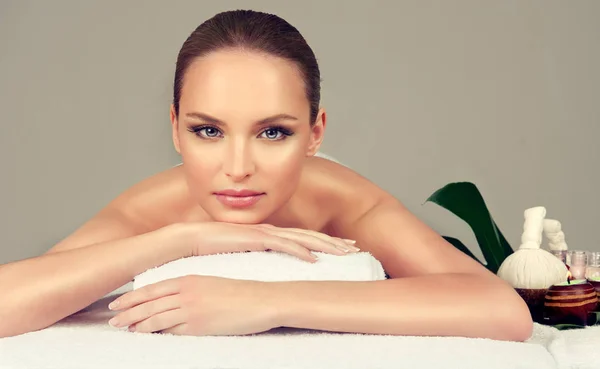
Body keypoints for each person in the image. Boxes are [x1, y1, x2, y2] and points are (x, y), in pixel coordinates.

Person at [0, 9, 533, 341]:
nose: (236, 169)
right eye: (208, 131)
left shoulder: (344, 201)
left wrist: (266, 300)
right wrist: (181, 238)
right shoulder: (152, 208)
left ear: (316, 132)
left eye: (273, 132)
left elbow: (500, 309)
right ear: (174, 128)